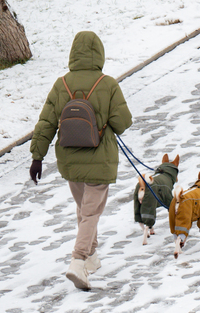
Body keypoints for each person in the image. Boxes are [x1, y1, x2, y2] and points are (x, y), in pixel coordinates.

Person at [29, 31, 132, 290]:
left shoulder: (61, 84)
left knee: (85, 210)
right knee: (90, 212)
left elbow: (46, 122)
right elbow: (123, 122)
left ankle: (92, 257)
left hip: (70, 160)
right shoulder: (107, 84)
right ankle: (77, 261)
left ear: (73, 54)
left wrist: (37, 156)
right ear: (99, 54)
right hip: (100, 159)